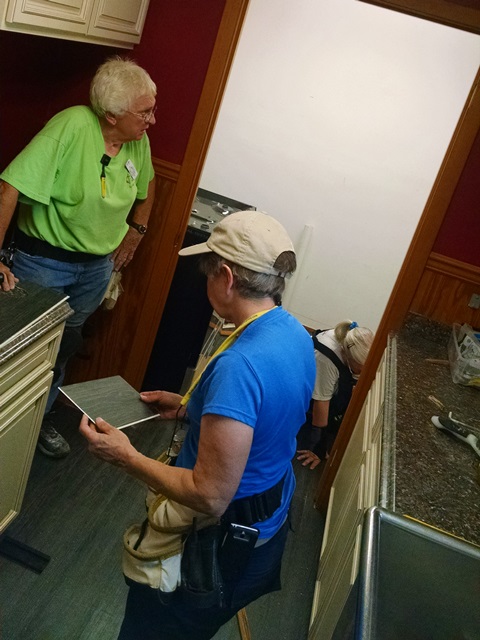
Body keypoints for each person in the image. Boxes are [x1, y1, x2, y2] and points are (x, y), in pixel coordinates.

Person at [79, 210, 316, 640]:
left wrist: (125, 457)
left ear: (225, 277)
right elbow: (264, 415)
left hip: (218, 547)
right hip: (267, 522)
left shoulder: (238, 365)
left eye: (208, 273)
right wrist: (196, 407)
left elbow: (210, 496)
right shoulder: (293, 332)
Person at [0, 56, 157, 458]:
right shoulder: (69, 126)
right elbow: (9, 188)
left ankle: (38, 420)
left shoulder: (137, 140)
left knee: (65, 345)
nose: (152, 120)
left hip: (96, 268)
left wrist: (136, 233)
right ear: (112, 114)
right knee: (26, 349)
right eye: (144, 112)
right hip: (44, 264)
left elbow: (148, 185)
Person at [297, 320, 374, 470]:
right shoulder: (326, 359)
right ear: (346, 356)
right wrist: (317, 447)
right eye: (359, 370)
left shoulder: (352, 339)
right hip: (300, 388)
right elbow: (321, 402)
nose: (361, 373)